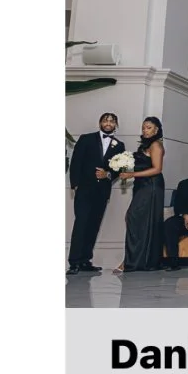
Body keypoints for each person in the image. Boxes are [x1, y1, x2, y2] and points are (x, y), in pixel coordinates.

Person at [68, 111, 125, 272]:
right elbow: (76, 161)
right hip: (85, 189)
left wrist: (107, 174)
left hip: (102, 192)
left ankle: (86, 260)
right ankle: (74, 262)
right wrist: (75, 184)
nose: (108, 123)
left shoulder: (119, 146)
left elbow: (118, 168)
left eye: (112, 121)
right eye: (105, 120)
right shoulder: (86, 139)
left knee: (94, 225)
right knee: (81, 224)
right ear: (100, 123)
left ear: (116, 125)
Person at [113, 116, 165, 273]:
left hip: (152, 186)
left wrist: (132, 175)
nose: (145, 130)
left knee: (134, 217)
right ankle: (135, 259)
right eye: (143, 127)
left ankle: (130, 261)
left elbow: (157, 169)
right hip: (142, 185)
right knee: (137, 220)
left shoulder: (156, 145)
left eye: (148, 127)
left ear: (156, 129)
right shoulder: (145, 145)